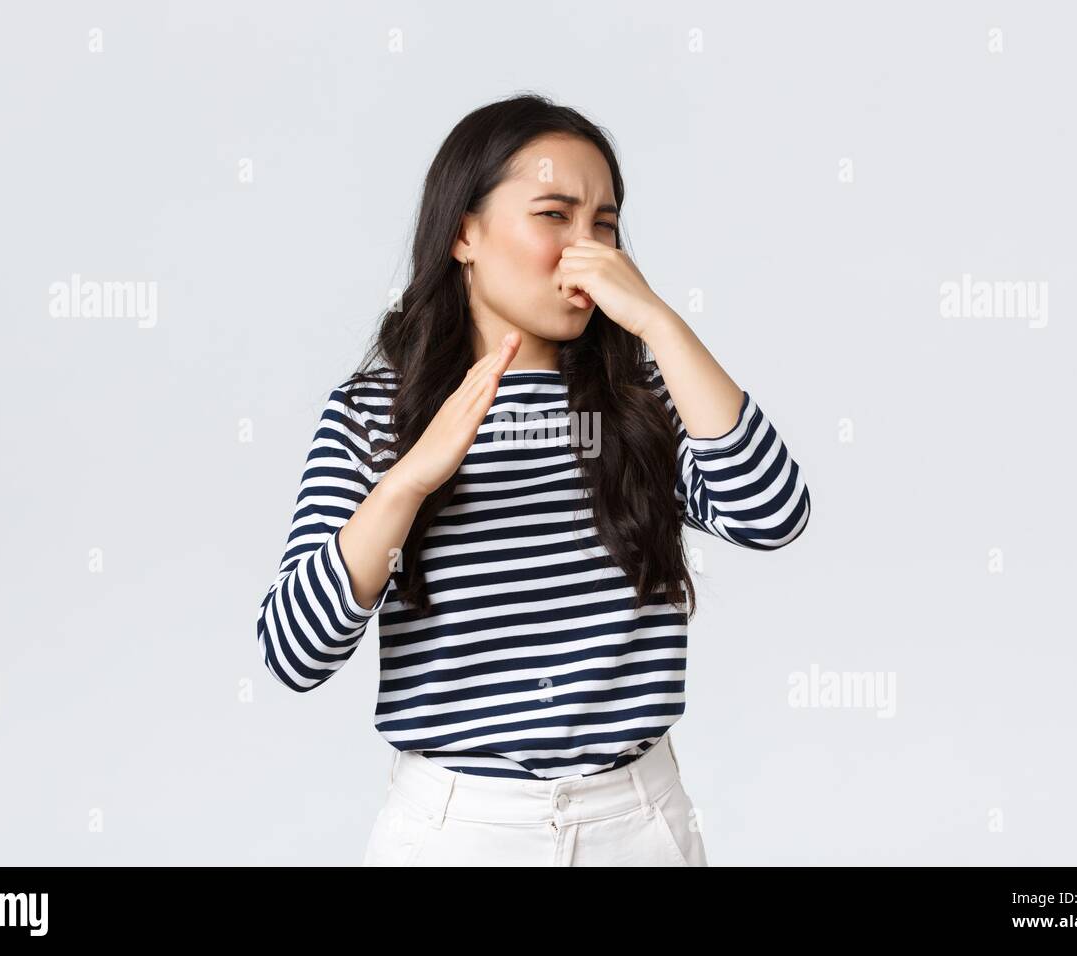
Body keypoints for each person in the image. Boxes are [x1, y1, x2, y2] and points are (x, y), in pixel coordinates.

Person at [255, 93, 812, 866]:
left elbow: (773, 512)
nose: (588, 253)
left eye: (606, 226)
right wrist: (408, 483)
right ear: (463, 234)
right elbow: (293, 651)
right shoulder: (376, 412)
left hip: (639, 824)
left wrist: (658, 322)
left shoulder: (643, 398)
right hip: (457, 833)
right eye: (554, 215)